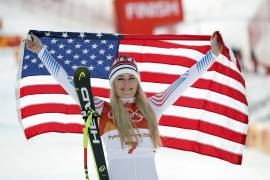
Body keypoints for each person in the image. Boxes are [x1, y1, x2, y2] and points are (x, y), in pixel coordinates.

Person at [25, 31, 223, 180]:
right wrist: (41, 51)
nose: (126, 84)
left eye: (131, 78)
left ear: (138, 82)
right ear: (113, 84)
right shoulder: (102, 110)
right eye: (120, 79)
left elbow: (185, 80)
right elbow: (68, 82)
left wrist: (212, 54)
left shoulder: (154, 106)